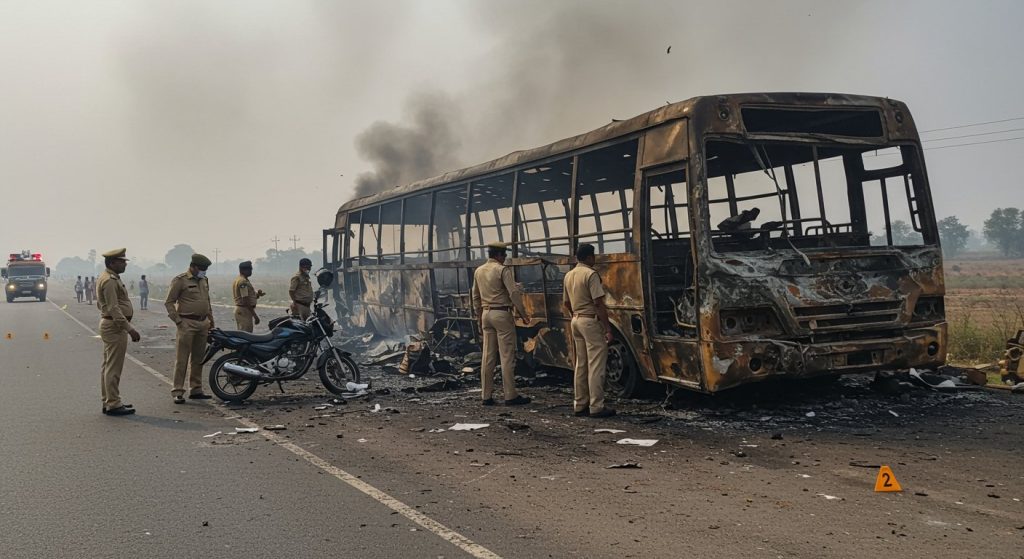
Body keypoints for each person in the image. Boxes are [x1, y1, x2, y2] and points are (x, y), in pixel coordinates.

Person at [471, 242, 531, 406]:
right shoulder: (502, 270)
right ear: (498, 255)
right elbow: (513, 293)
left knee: (488, 356)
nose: (504, 258)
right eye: (503, 255)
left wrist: (478, 316)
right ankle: (510, 395)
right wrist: (523, 314)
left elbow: (475, 296)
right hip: (502, 313)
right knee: (506, 356)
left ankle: (486, 396)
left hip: (485, 313)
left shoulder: (479, 271)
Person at [562, 243, 615, 418]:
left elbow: (566, 303)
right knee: (596, 364)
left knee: (581, 364)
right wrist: (607, 328)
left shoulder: (569, 275)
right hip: (590, 321)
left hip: (575, 320)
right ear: (589, 257)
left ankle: (580, 404)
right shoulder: (591, 275)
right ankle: (596, 406)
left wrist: (575, 316)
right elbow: (598, 303)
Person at [96, 249, 141, 416]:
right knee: (113, 367)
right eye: (122, 261)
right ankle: (113, 403)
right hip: (115, 326)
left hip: (112, 325)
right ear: (113, 262)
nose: (125, 264)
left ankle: (109, 400)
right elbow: (114, 308)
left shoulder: (109, 278)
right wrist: (130, 329)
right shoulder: (109, 280)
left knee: (108, 366)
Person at [164, 254, 214, 403]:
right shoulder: (180, 280)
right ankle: (178, 391)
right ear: (194, 266)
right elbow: (169, 302)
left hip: (202, 323)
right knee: (182, 359)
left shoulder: (204, 280)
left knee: (199, 359)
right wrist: (178, 321)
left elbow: (207, 301)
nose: (204, 271)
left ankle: (196, 388)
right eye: (202, 269)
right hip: (187, 322)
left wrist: (211, 320)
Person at [232, 261, 265, 332]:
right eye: (250, 270)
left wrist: (258, 294)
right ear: (243, 270)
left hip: (243, 310)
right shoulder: (242, 282)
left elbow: (247, 295)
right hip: (244, 310)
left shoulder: (241, 280)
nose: (251, 272)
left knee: (244, 333)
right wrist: (255, 315)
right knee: (245, 335)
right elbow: (245, 300)